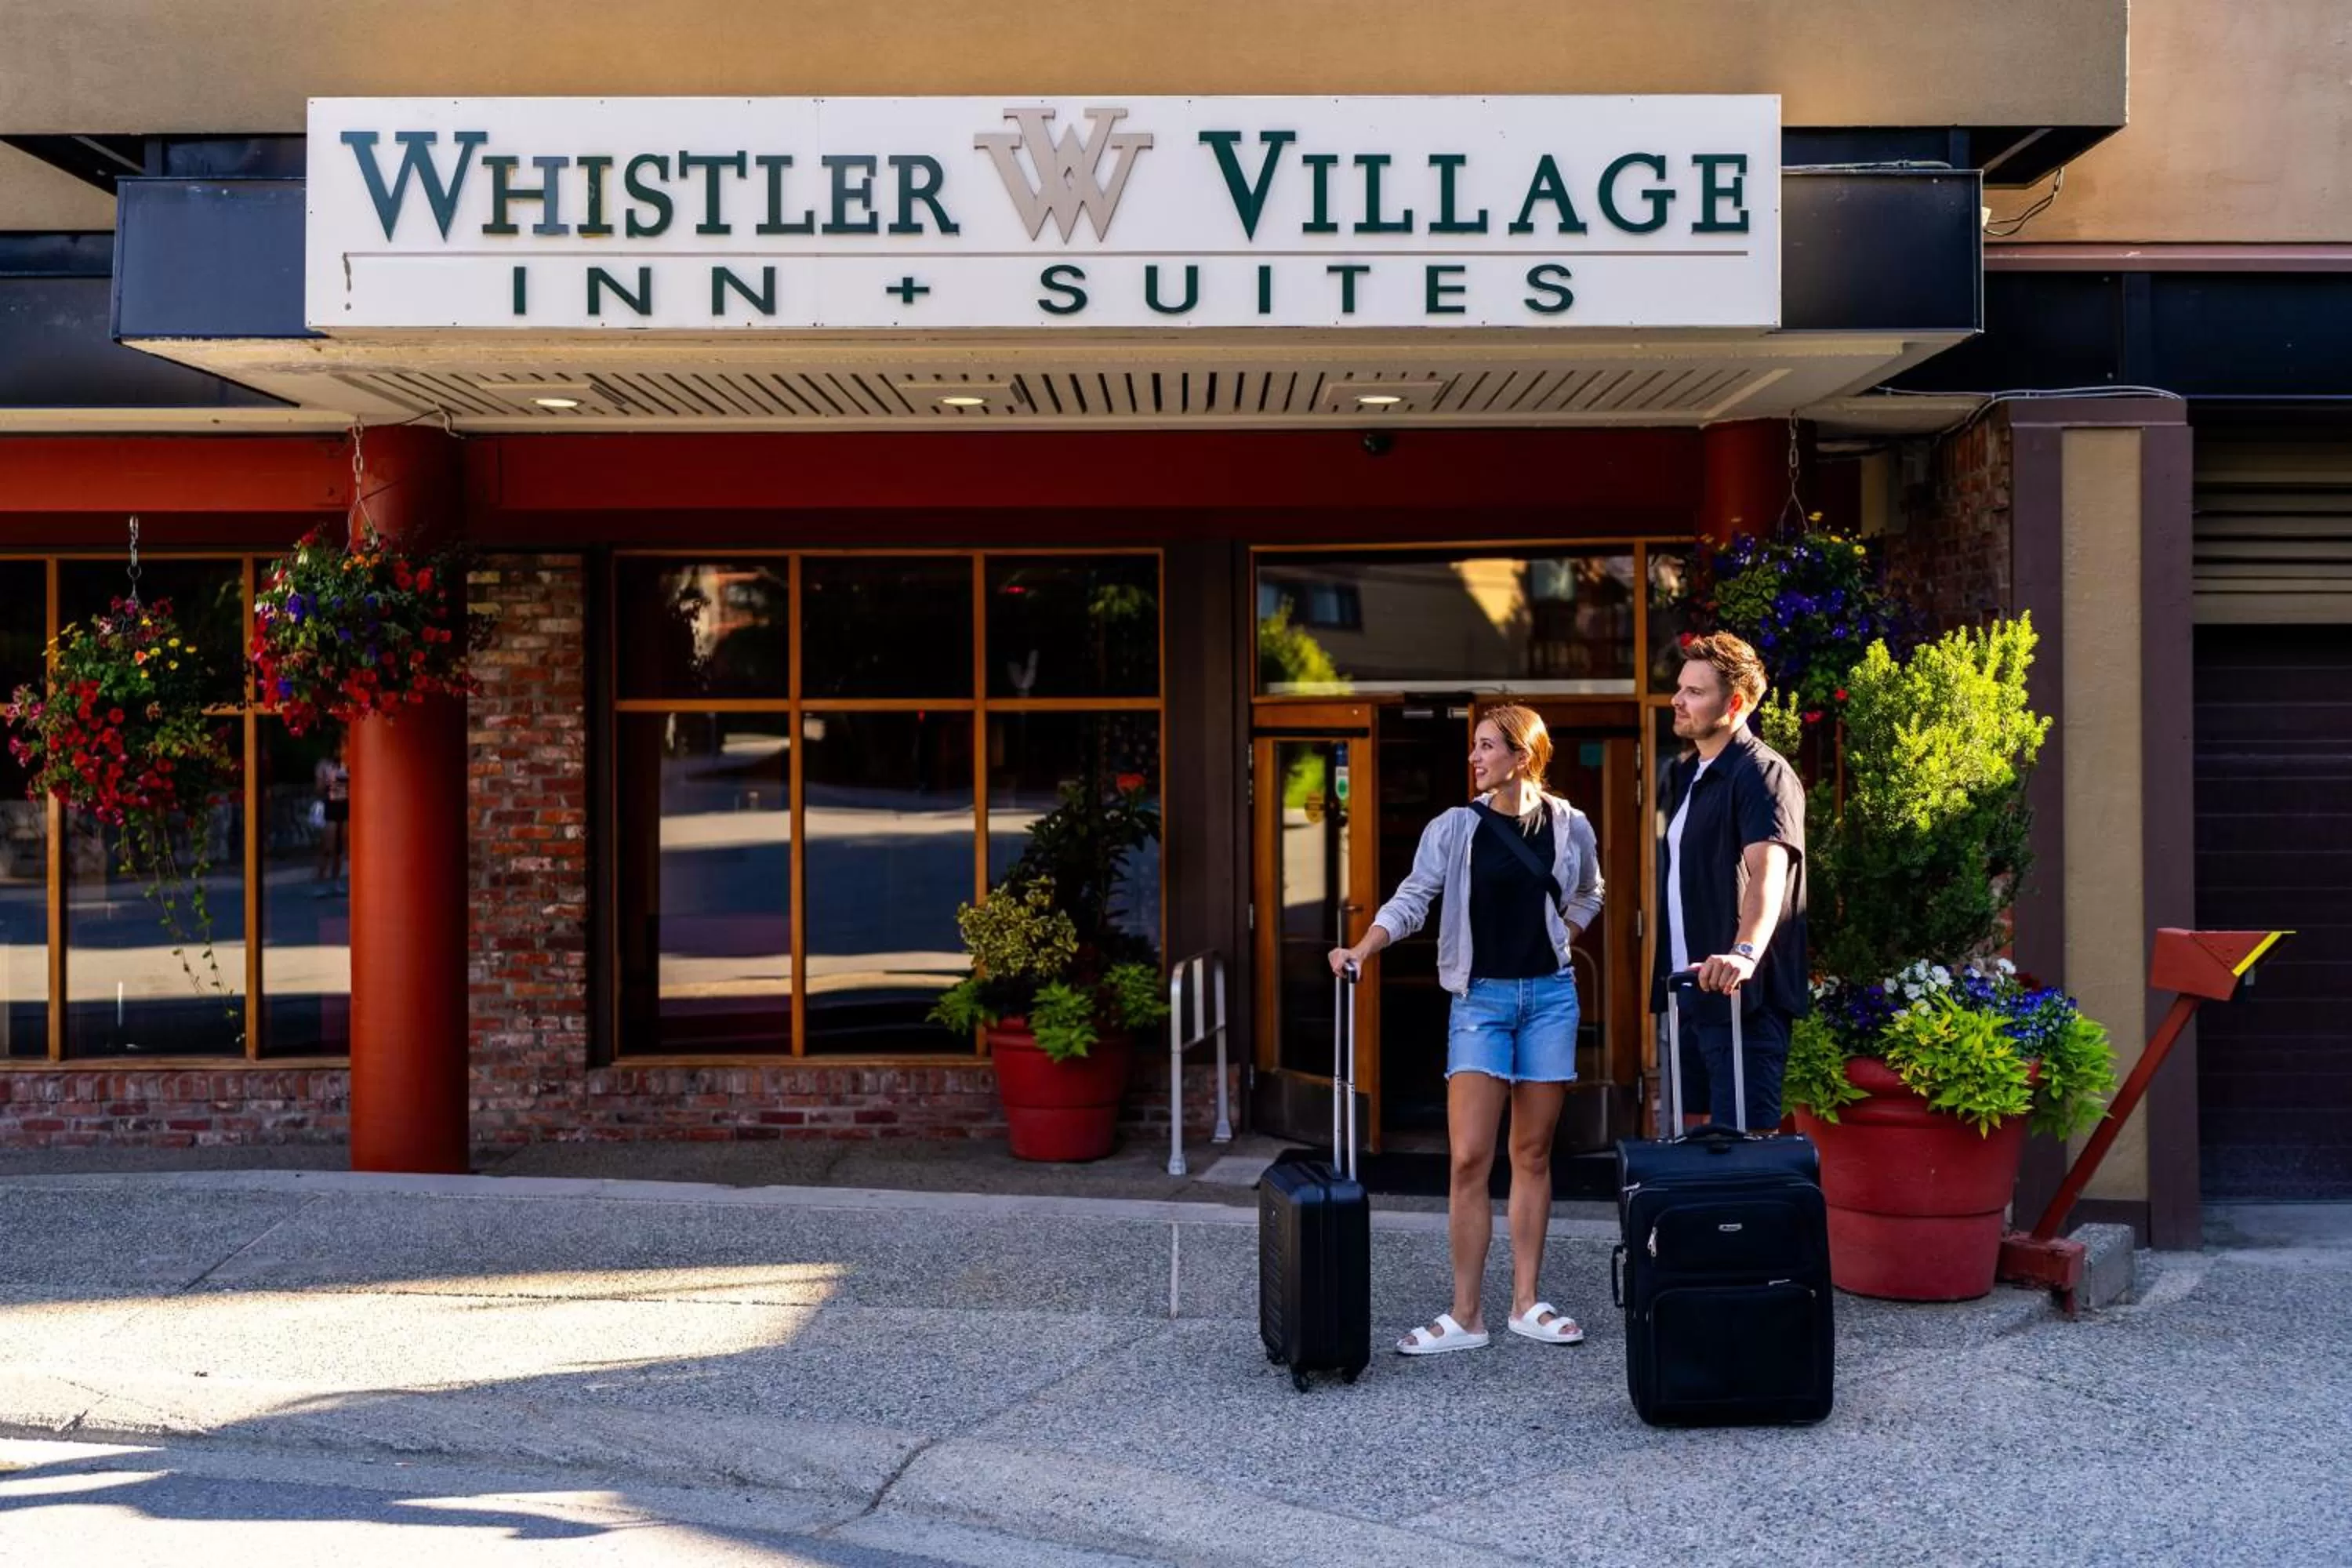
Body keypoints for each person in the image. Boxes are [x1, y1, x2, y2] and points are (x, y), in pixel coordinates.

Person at [1328, 705, 1602, 1356]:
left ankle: (1526, 1303)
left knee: (1532, 1154)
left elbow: (1590, 892)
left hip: (1550, 999)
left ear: (1522, 757)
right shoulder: (1455, 828)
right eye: (1474, 746)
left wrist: (1565, 936)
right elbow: (1412, 898)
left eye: (1486, 747)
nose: (1474, 758)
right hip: (1480, 1001)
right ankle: (1465, 1315)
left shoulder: (1570, 824)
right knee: (1469, 1157)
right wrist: (1362, 949)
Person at [1653, 632, 1807, 1131]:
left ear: (1735, 703)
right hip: (1689, 993)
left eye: (1695, 692)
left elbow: (1769, 871)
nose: (1677, 700)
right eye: (1680, 688)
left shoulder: (1760, 773)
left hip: (1742, 1000)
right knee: (1688, 1150)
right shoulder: (1690, 775)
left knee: (1745, 1151)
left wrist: (1743, 953)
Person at [313, 742, 350, 896]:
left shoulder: (347, 764)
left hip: (344, 804)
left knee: (340, 848)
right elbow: (318, 788)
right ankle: (319, 882)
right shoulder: (324, 765)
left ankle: (335, 881)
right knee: (328, 847)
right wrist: (329, 781)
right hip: (330, 805)